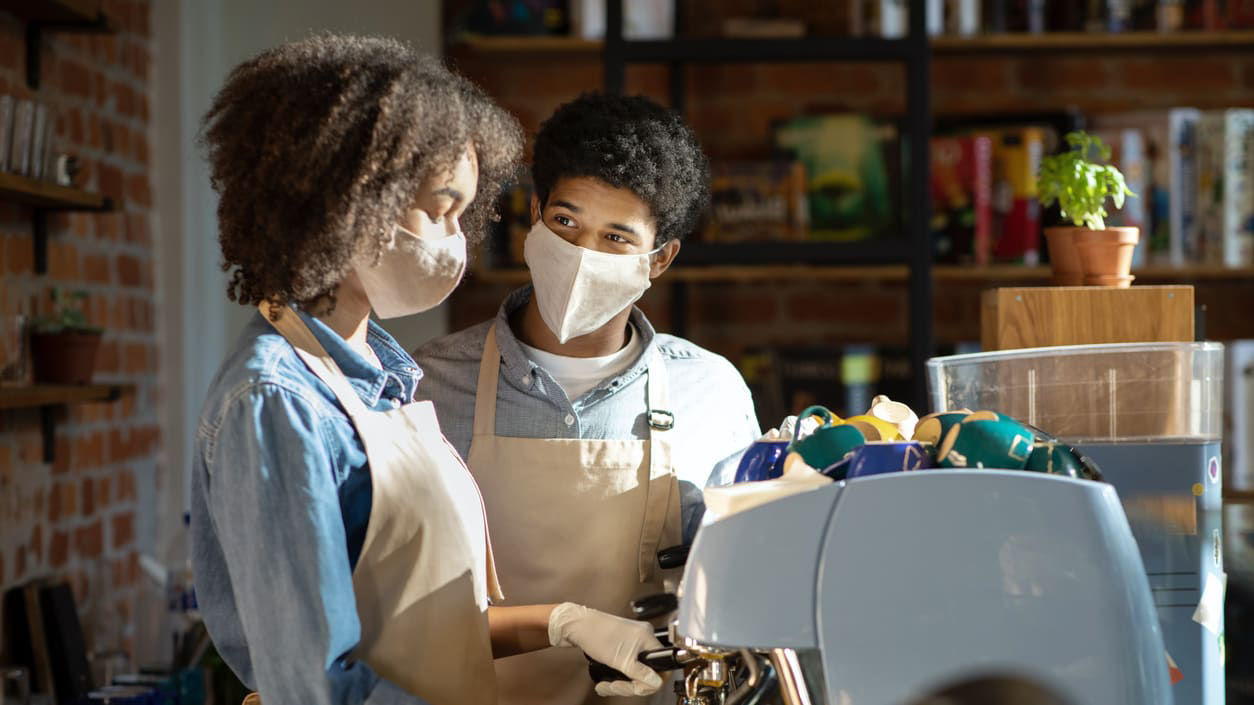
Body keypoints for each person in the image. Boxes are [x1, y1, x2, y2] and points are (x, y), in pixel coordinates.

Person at [191, 37, 665, 705]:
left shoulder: (381, 376)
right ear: (348, 197)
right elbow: (315, 684)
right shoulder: (275, 398)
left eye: (461, 212)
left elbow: (418, 628)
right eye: (438, 208)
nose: (454, 237)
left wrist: (561, 622)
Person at [413, 92, 762, 704]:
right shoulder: (430, 386)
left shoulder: (711, 392)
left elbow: (743, 589)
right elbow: (398, 602)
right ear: (536, 214)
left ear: (661, 260)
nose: (582, 256)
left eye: (616, 238)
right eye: (567, 223)